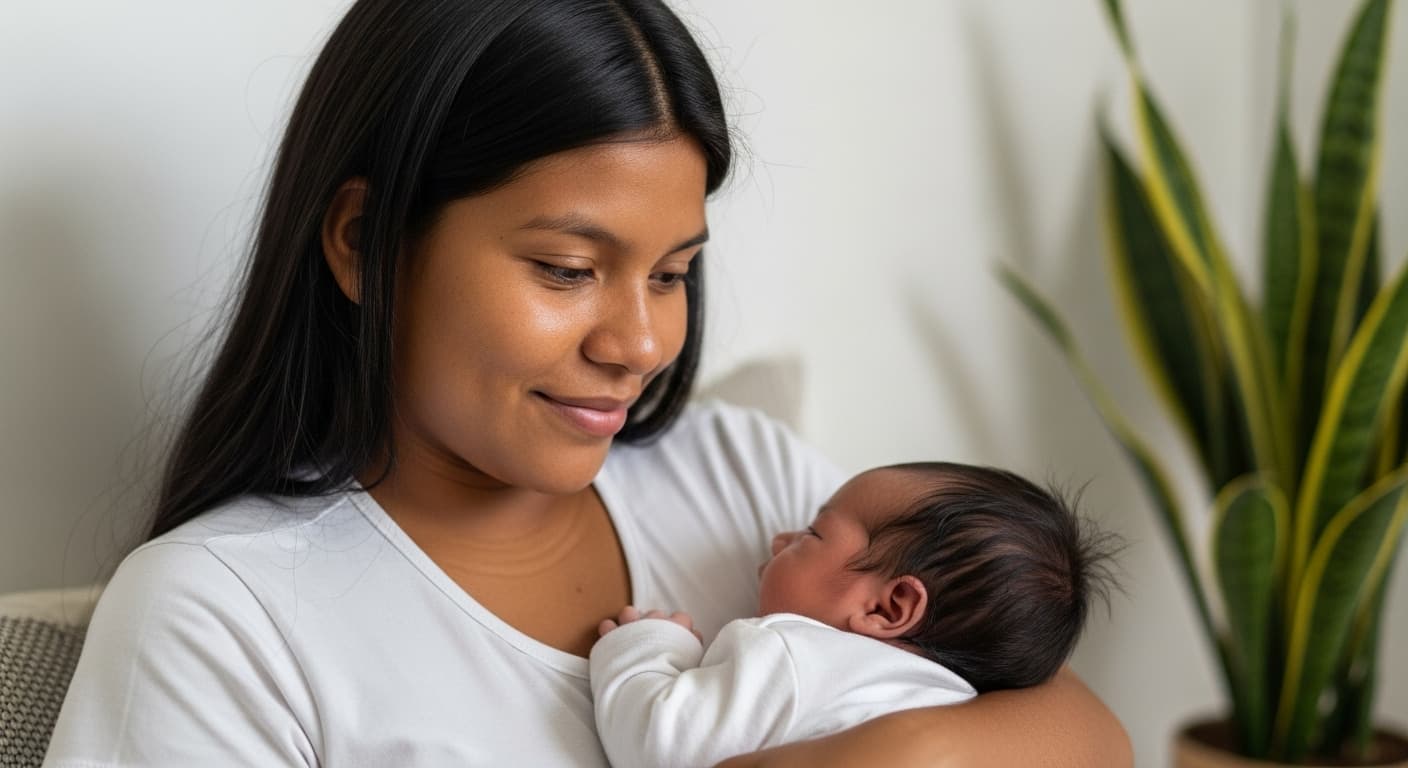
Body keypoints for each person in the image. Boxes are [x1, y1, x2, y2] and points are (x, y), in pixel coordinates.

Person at [43, 0, 1131, 765]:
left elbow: (1088, 734)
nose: (641, 341)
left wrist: (907, 756)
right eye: (568, 270)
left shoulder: (752, 485)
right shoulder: (225, 616)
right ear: (365, 242)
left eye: (672, 274)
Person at [589, 462, 1118, 768]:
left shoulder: (794, 654)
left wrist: (646, 648)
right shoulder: (962, 702)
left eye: (813, 535)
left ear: (889, 608)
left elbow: (661, 741)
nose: (779, 538)